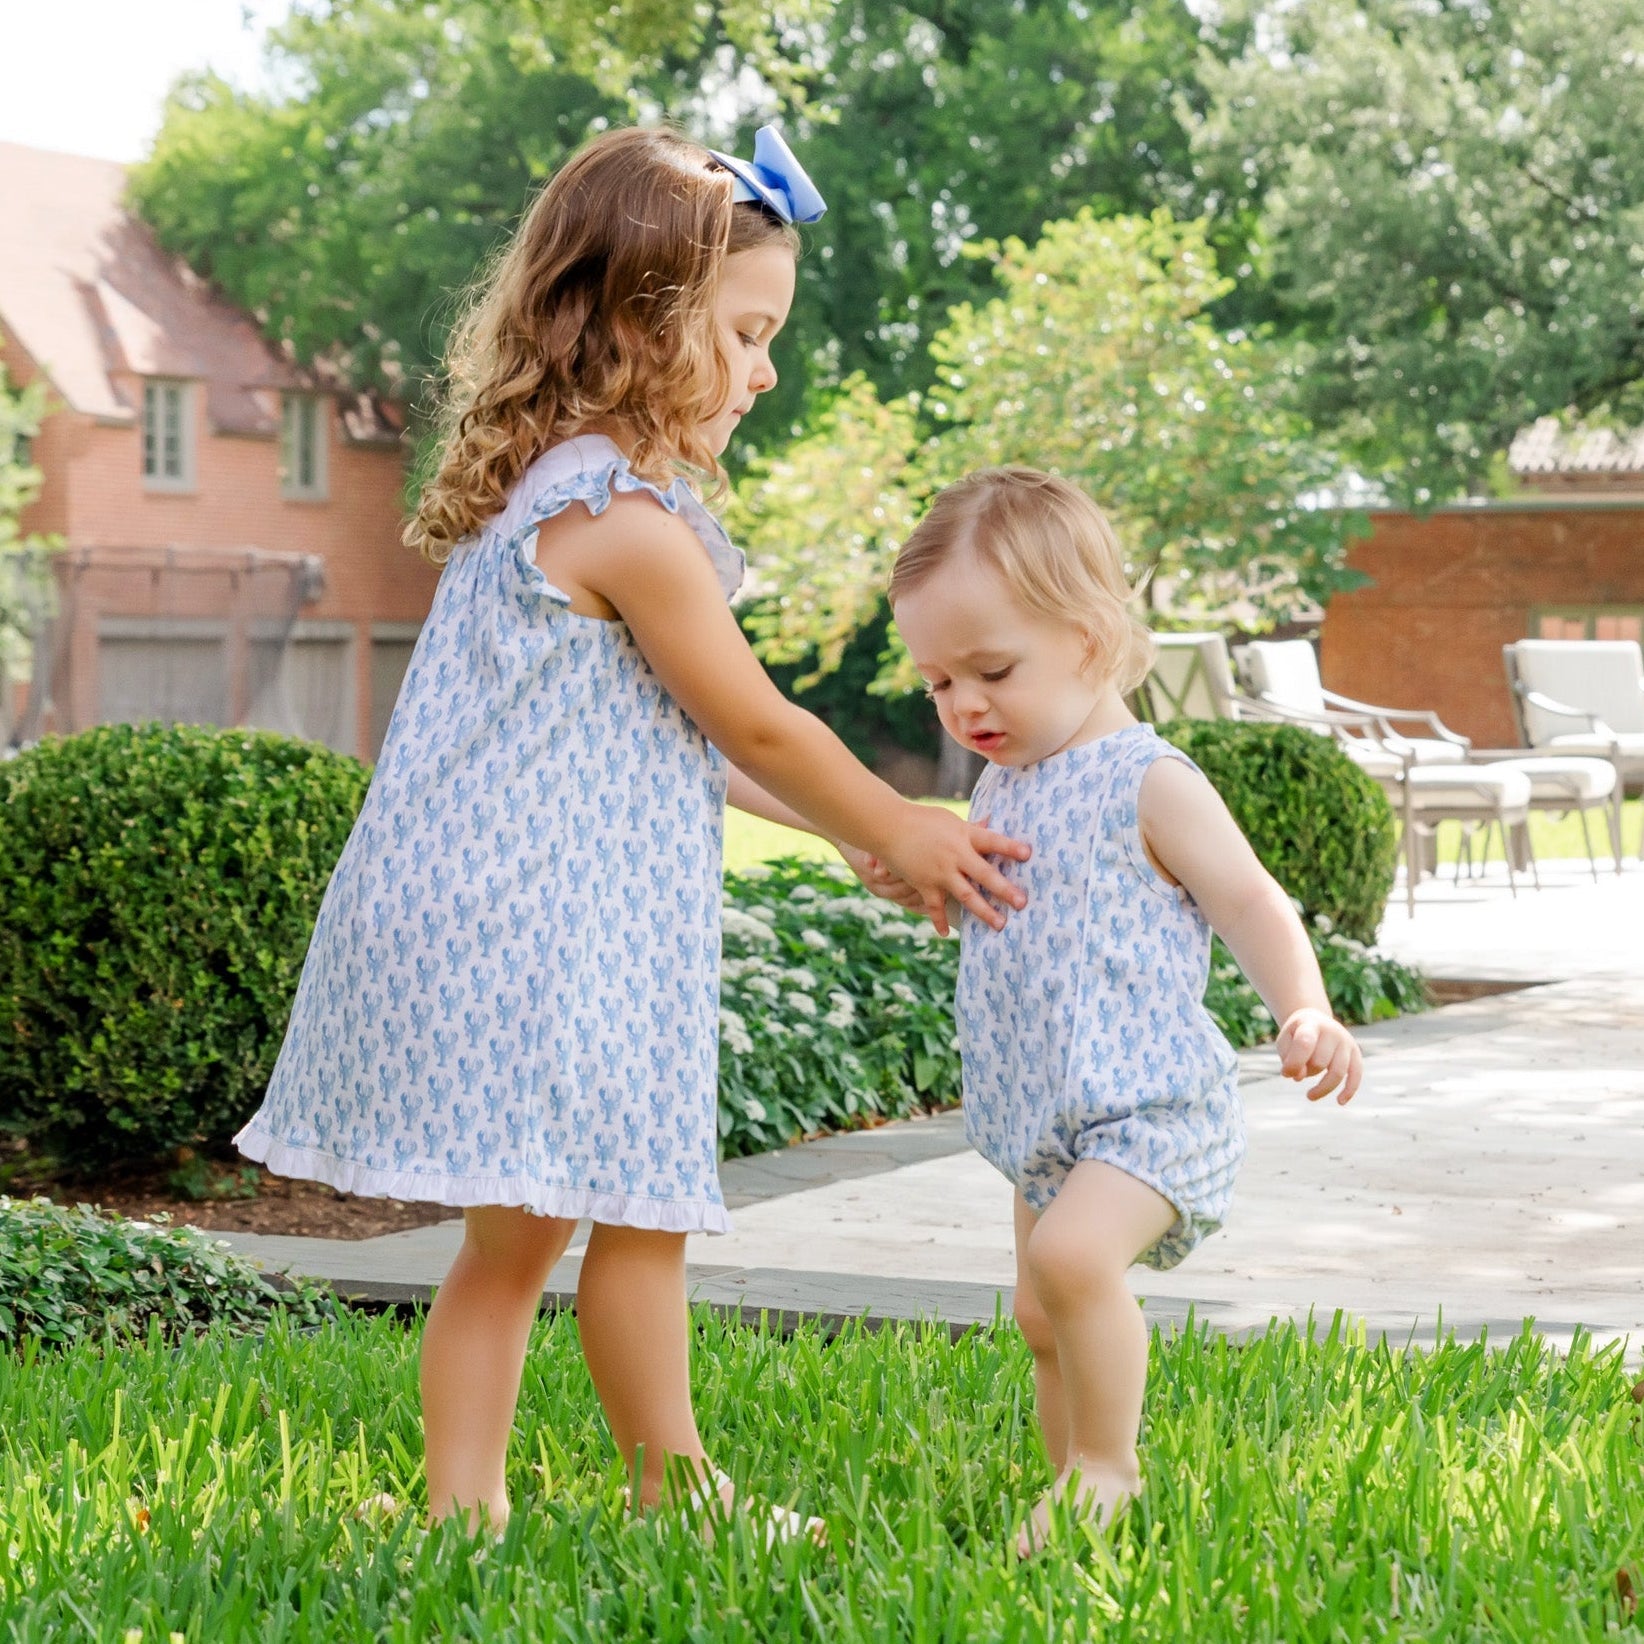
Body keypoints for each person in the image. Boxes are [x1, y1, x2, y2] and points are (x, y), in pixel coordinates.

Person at [234, 125, 1031, 1539]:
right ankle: (655, 1491)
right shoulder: (623, 523)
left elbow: (684, 749)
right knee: (611, 1217)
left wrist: (846, 837)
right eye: (746, 332)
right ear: (643, 326)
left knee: (542, 1234)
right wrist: (904, 828)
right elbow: (761, 724)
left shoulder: (561, 500)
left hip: (535, 926)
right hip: (538, 937)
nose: (768, 368)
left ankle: (485, 1509)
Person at [884, 466, 1364, 1554]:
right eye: (937, 683)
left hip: (1147, 1110)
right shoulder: (1004, 784)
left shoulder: (1152, 780)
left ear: (1093, 638)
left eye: (992, 670)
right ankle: (1070, 1491)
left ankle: (1110, 1467)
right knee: (1041, 1315)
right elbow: (1010, 902)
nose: (964, 706)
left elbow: (1248, 896)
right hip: (1045, 1118)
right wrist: (931, 882)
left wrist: (1303, 1007)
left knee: (1071, 1266)